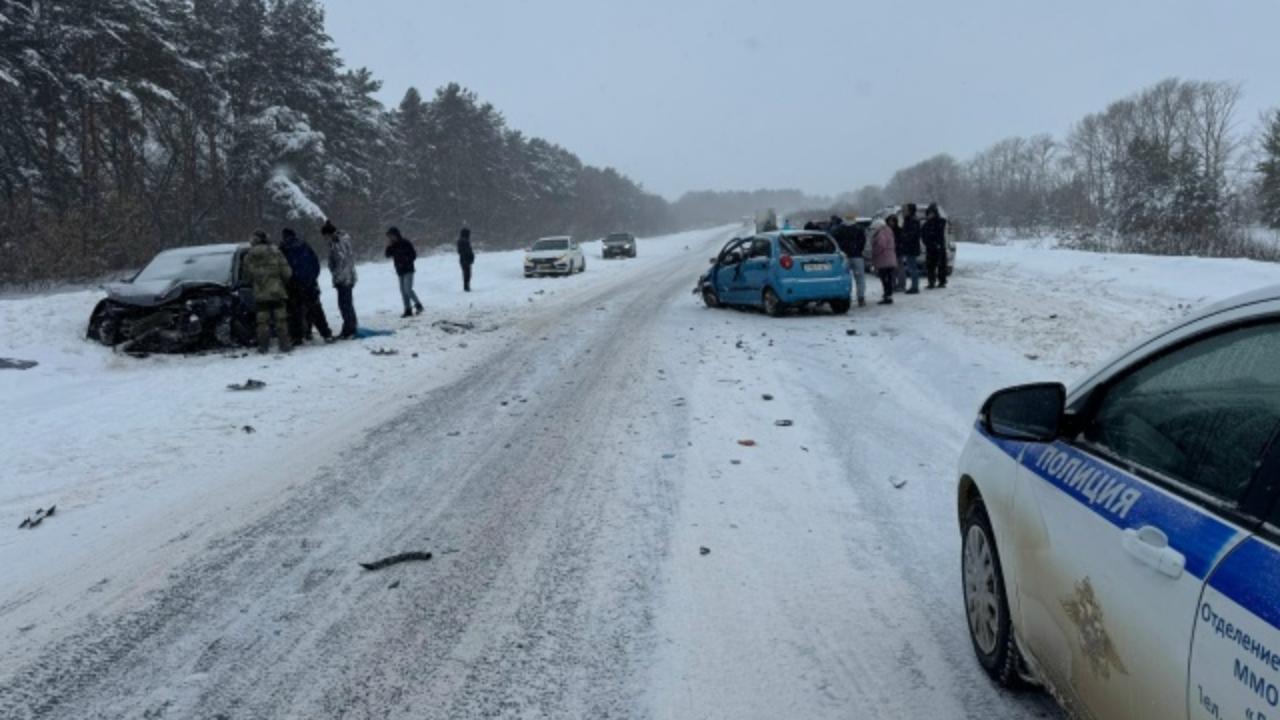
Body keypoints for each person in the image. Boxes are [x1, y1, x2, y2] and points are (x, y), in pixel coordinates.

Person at [279, 227, 333, 344]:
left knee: (295, 312)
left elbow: (282, 269)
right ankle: (326, 333)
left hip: (294, 285)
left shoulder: (283, 249)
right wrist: (312, 278)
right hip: (309, 284)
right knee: (315, 310)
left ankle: (297, 337)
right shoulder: (304, 245)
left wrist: (288, 282)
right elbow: (315, 263)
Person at [243, 230, 292, 353]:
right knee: (281, 320)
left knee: (262, 322)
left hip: (260, 294)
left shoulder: (249, 256)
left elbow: (247, 276)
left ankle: (263, 346)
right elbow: (287, 273)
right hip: (277, 291)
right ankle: (284, 345)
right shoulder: (276, 252)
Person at [322, 220, 358, 338]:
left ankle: (349, 330)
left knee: (344, 305)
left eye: (325, 236)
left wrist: (337, 276)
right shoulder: (342, 240)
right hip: (348, 277)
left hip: (344, 279)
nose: (325, 239)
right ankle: (351, 327)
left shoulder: (337, 242)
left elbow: (342, 261)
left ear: (328, 234)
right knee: (347, 304)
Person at [385, 227, 423, 318]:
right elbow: (387, 255)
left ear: (396, 235)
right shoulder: (393, 245)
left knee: (408, 289)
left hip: (408, 270)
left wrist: (406, 260)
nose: (390, 238)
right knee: (403, 291)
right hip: (399, 271)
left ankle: (418, 305)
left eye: (391, 236)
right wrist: (389, 246)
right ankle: (407, 309)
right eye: (389, 237)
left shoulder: (406, 243)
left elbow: (413, 255)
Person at [831, 215, 868, 307]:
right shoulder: (859, 229)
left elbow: (835, 242)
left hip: (844, 257)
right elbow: (863, 241)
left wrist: (842, 250)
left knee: (843, 278)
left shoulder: (839, 229)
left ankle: (845, 296)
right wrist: (858, 249)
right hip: (857, 256)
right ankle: (861, 297)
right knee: (860, 279)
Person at [870, 219, 897, 305]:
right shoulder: (889, 231)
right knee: (888, 278)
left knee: (885, 279)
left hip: (883, 259)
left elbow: (881, 245)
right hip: (890, 258)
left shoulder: (881, 233)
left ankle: (887, 296)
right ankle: (888, 295)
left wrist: (875, 252)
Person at [923, 203, 948, 289]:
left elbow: (942, 229)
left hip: (939, 247)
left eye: (932, 213)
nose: (930, 215)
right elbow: (923, 235)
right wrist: (926, 242)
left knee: (941, 265)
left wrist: (937, 243)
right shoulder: (926, 224)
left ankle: (942, 281)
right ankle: (931, 282)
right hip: (930, 247)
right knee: (930, 266)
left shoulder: (940, 222)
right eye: (929, 213)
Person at [900, 203, 923, 294]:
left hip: (911, 247)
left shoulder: (913, 220)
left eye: (906, 210)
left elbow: (913, 234)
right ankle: (914, 285)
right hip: (910, 246)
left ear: (910, 210)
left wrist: (905, 236)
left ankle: (915, 286)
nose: (904, 212)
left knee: (912, 267)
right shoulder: (910, 219)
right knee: (911, 267)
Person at [887, 213, 905, 290]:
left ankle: (901, 285)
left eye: (892, 221)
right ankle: (893, 284)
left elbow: (901, 241)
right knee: (892, 270)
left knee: (899, 269)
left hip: (897, 252)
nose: (891, 223)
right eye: (889, 221)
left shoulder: (898, 230)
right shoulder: (888, 230)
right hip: (891, 252)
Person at [457, 227, 475, 292]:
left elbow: (460, 251)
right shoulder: (465, 241)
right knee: (467, 273)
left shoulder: (460, 241)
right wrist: (471, 257)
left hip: (463, 259)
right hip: (466, 259)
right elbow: (468, 251)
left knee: (466, 273)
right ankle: (466, 287)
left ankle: (466, 286)